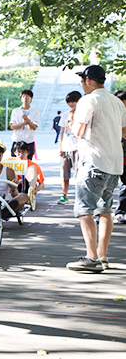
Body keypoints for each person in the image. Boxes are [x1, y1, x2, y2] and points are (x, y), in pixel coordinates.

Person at [67, 65, 126, 272]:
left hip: (93, 161)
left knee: (84, 210)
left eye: (82, 81)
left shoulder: (88, 100)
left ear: (89, 80)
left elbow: (80, 131)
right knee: (105, 209)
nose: (82, 85)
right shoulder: (117, 102)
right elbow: (124, 132)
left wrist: (71, 122)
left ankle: (91, 258)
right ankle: (102, 256)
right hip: (114, 165)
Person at [0, 140, 29, 218]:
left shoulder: (8, 171)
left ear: (2, 156)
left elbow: (14, 195)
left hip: (5, 202)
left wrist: (13, 188)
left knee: (24, 196)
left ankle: (2, 211)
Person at [57, 92, 81, 204]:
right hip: (66, 147)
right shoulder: (64, 115)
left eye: (74, 101)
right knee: (64, 174)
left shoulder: (82, 114)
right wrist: (60, 147)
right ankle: (64, 195)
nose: (71, 104)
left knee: (78, 174)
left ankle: (79, 195)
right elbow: (62, 132)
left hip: (78, 148)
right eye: (69, 102)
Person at [13, 141, 45, 211]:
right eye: (19, 152)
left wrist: (34, 191)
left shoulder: (34, 165)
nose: (21, 154)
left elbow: (42, 184)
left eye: (24, 152)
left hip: (26, 186)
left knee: (32, 168)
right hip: (12, 185)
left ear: (28, 153)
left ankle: (30, 193)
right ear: (15, 152)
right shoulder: (10, 161)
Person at [9, 89, 39, 159]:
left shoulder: (35, 112)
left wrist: (28, 121)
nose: (25, 98)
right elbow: (12, 126)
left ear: (31, 98)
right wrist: (23, 123)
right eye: (23, 96)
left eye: (28, 96)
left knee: (28, 163)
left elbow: (34, 127)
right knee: (15, 163)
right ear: (21, 98)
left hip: (29, 141)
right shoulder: (15, 111)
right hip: (17, 141)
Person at [114, 90, 126, 224]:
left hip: (123, 155)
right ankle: (102, 212)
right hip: (114, 154)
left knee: (125, 184)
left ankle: (121, 211)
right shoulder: (113, 115)